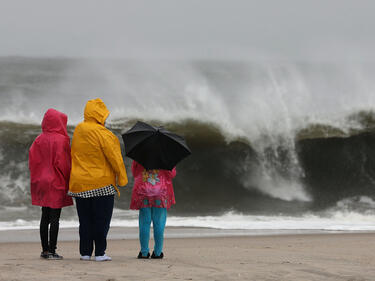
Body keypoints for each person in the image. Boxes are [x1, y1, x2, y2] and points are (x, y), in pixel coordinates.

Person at [68, 98, 128, 262]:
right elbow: (115, 158)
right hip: (102, 183)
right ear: (100, 115)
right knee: (101, 220)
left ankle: (85, 253)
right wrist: (122, 178)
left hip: (79, 183)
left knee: (85, 220)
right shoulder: (105, 134)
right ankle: (100, 253)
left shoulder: (79, 130)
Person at [29, 108, 73, 260]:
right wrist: (69, 179)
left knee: (44, 216)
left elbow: (32, 161)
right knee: (55, 218)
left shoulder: (38, 139)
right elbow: (64, 164)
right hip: (56, 181)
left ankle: (45, 250)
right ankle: (53, 250)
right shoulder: (62, 140)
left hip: (41, 181)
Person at [130, 161, 176, 259]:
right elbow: (172, 174)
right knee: (159, 223)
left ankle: (144, 252)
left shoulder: (139, 154)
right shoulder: (165, 156)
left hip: (143, 191)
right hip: (160, 192)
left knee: (144, 223)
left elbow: (134, 173)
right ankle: (158, 252)